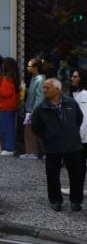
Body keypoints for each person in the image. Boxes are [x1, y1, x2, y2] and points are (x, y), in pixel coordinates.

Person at [29, 78, 86, 213]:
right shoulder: (41, 108)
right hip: (53, 146)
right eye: (43, 87)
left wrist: (70, 133)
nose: (44, 90)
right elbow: (36, 127)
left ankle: (76, 201)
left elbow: (79, 119)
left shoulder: (71, 103)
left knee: (77, 174)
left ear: (57, 89)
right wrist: (48, 137)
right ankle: (55, 200)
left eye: (47, 87)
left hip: (73, 145)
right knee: (52, 174)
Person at [21, 58, 48, 160]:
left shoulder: (40, 79)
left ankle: (33, 152)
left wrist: (34, 111)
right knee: (33, 131)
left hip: (34, 110)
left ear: (35, 67)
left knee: (31, 131)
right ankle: (36, 152)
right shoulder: (35, 77)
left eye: (29, 66)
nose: (28, 68)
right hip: (32, 109)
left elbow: (40, 97)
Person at [0, 57, 21, 156]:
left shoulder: (9, 78)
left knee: (7, 128)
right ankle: (6, 147)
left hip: (7, 106)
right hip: (7, 106)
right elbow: (2, 85)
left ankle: (9, 148)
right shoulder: (10, 77)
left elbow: (5, 92)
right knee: (5, 128)